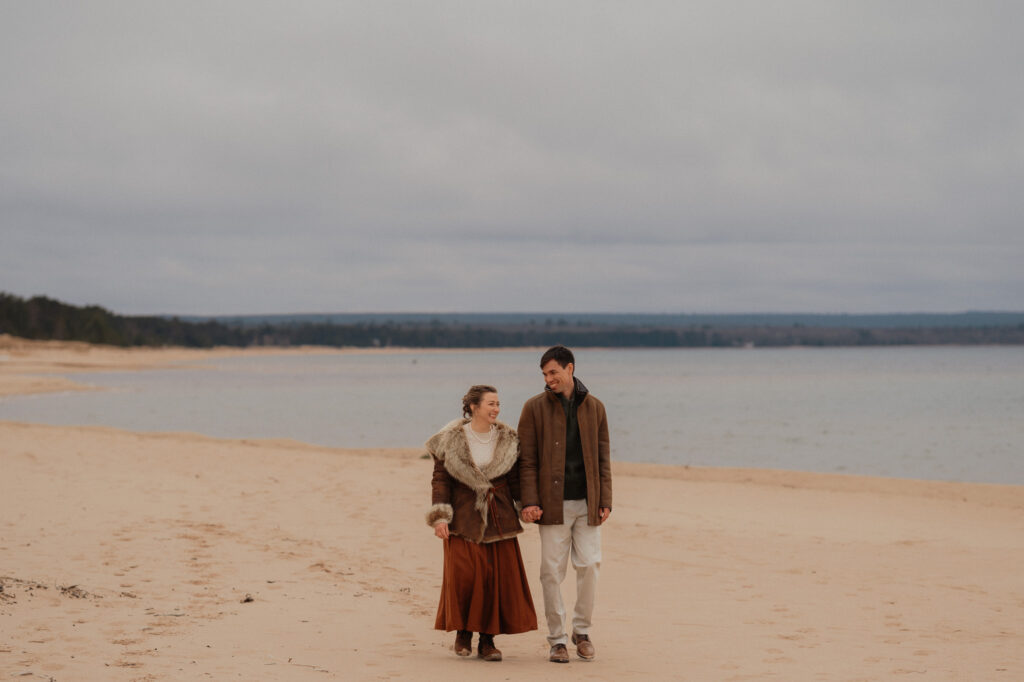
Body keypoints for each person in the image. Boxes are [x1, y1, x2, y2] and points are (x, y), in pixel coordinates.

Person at [426, 385, 537, 661]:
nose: (496, 409)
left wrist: (526, 506)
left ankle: (488, 641)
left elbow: (513, 481)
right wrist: (440, 517)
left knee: (494, 580)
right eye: (490, 403)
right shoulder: (450, 439)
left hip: (499, 519)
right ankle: (463, 632)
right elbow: (441, 480)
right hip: (463, 518)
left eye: (498, 404)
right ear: (474, 406)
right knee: (464, 577)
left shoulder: (509, 439)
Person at [517, 346, 612, 663]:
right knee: (550, 573)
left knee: (590, 566)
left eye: (553, 372)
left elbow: (603, 458)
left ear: (569, 369)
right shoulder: (533, 408)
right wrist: (528, 501)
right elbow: (526, 461)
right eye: (544, 374)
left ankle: (581, 632)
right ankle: (557, 640)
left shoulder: (595, 407)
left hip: (588, 503)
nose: (548, 379)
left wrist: (606, 499)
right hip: (551, 505)